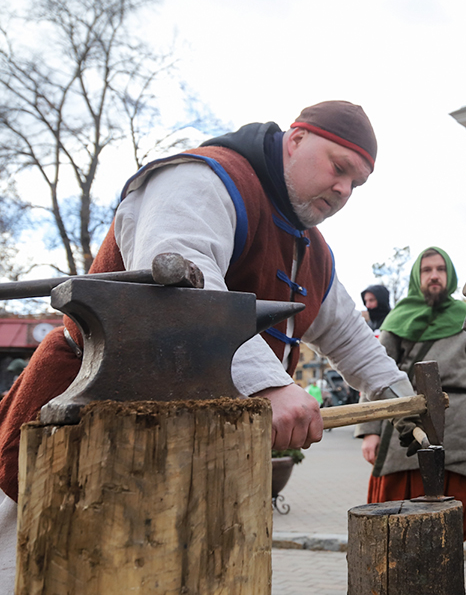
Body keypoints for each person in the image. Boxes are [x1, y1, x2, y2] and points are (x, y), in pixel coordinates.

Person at [0, 101, 421, 591]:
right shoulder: (203, 178)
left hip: (200, 451)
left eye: (357, 184)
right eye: (339, 167)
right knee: (43, 569)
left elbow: (349, 334)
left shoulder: (315, 253)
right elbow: (179, 290)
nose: (345, 189)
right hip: (82, 424)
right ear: (296, 139)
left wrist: (401, 396)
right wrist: (270, 385)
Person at [356, 247, 466, 540]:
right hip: (406, 425)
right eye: (427, 270)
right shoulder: (397, 320)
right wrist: (369, 431)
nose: (434, 275)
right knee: (393, 521)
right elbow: (373, 373)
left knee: (454, 525)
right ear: (418, 276)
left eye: (440, 269)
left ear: (449, 274)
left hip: (460, 430)